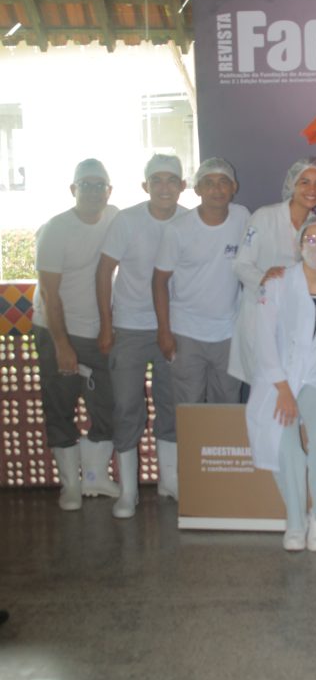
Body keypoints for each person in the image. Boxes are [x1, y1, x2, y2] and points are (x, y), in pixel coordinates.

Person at [246, 216, 316, 552]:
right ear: (299, 245)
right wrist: (282, 389)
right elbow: (263, 338)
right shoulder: (278, 283)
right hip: (277, 378)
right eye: (311, 239)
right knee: (287, 446)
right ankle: (295, 520)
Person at [96, 153, 187, 519]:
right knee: (126, 406)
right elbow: (104, 272)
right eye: (157, 180)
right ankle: (128, 490)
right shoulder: (127, 220)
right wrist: (106, 325)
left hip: (174, 327)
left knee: (171, 404)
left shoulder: (189, 221)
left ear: (183, 186)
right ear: (145, 185)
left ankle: (169, 481)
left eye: (171, 180)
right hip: (129, 328)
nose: (164, 187)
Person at [33, 158, 120, 511]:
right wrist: (62, 344)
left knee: (110, 406)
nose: (94, 191)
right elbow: (49, 293)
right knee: (60, 407)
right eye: (86, 185)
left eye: (100, 185)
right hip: (57, 329)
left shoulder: (114, 217)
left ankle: (95, 477)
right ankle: (70, 485)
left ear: (109, 191)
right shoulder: (56, 229)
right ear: (73, 189)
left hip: (97, 331)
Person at [152, 158, 249, 421]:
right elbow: (159, 281)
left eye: (223, 182)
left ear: (234, 187)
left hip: (229, 333)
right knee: (189, 411)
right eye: (209, 183)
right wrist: (164, 332)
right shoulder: (178, 229)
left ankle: (222, 451)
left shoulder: (242, 217)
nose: (217, 189)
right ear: (197, 189)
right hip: (186, 333)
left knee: (227, 408)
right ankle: (189, 451)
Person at [229, 156, 316, 387]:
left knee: (291, 387)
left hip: (297, 321)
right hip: (260, 316)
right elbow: (240, 265)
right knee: (263, 388)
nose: (312, 189)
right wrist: (264, 278)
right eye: (304, 182)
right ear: (292, 184)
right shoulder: (265, 217)